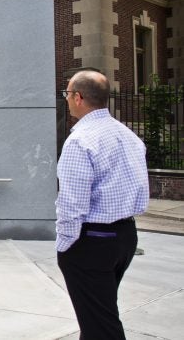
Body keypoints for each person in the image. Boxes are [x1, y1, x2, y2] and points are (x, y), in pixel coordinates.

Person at [57, 70, 149, 339]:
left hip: (92, 241)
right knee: (99, 313)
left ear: (78, 97)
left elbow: (72, 204)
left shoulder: (80, 141)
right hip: (125, 236)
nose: (66, 99)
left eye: (67, 94)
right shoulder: (128, 135)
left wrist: (65, 246)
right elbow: (141, 188)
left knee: (100, 325)